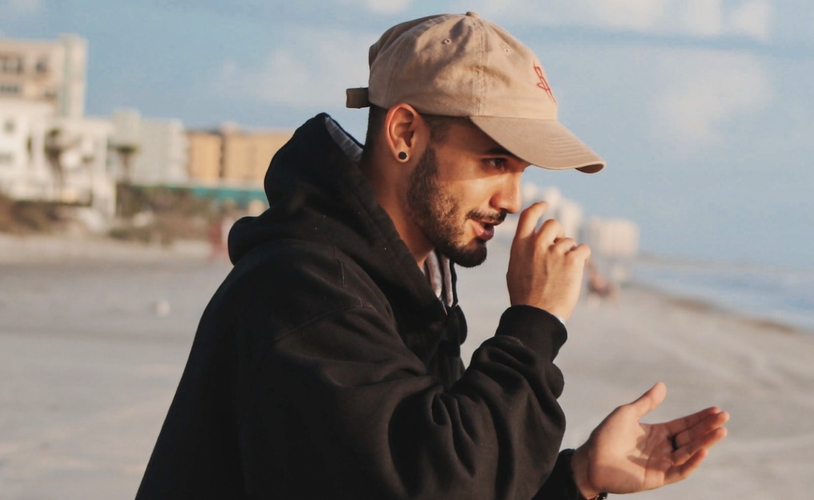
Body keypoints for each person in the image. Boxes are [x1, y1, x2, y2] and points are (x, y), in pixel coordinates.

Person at [136, 13, 728, 500]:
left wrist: (578, 479)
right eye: (494, 162)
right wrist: (532, 327)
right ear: (404, 134)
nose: (513, 199)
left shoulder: (403, 290)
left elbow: (418, 468)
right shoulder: (304, 292)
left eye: (521, 171)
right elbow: (441, 486)